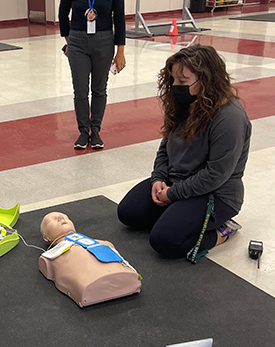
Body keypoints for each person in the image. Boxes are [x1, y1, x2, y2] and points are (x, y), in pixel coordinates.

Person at [117, 45, 251, 259]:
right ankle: (178, 214)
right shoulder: (185, 103)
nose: (174, 86)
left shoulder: (229, 117)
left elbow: (215, 174)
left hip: (215, 194)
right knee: (128, 213)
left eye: (182, 81)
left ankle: (222, 232)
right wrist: (158, 178)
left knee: (164, 241)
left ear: (206, 80)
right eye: (172, 79)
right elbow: (165, 148)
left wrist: (172, 194)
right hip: (175, 181)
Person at [59, 0, 126, 149]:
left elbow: (120, 19)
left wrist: (120, 52)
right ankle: (83, 131)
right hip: (77, 42)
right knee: (80, 89)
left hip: (104, 41)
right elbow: (62, 14)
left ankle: (95, 130)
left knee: (99, 88)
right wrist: (69, 40)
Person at [39, 212, 141, 307]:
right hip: (88, 285)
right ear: (46, 237)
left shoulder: (102, 243)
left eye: (66, 217)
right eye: (52, 220)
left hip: (121, 275)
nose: (61, 218)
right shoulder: (49, 257)